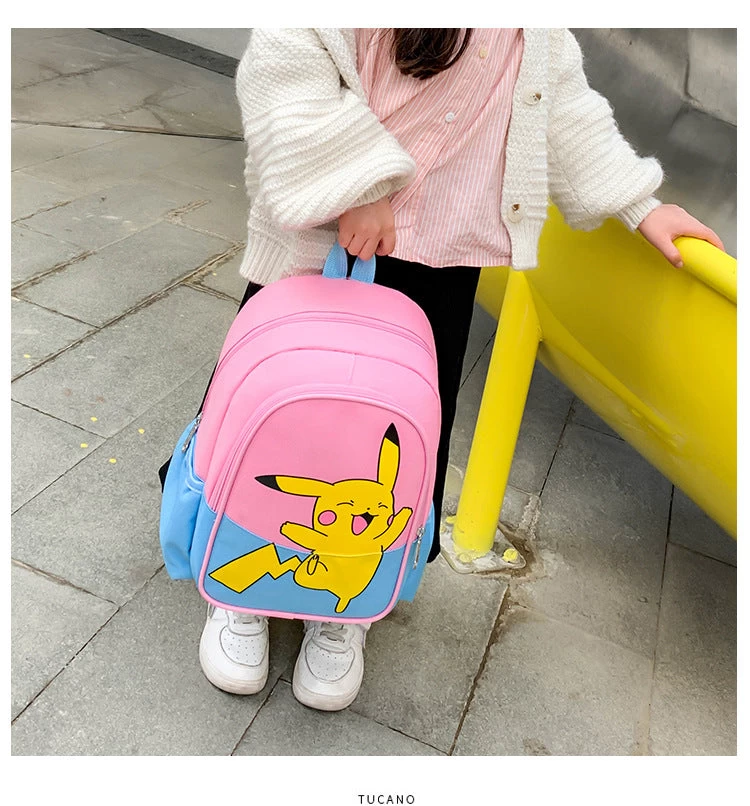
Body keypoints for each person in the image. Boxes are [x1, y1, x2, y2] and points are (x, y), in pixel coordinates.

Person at [171, 28, 724, 712]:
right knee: (276, 416)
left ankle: (347, 600)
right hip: (321, 230)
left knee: (393, 443)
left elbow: (567, 110)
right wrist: (355, 182)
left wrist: (641, 204)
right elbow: (287, 55)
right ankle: (238, 582)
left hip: (442, 259)